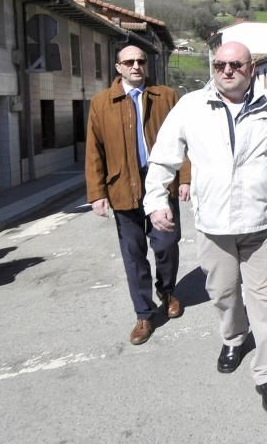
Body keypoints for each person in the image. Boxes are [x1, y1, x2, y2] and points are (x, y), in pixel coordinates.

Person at [144, 41, 267, 416]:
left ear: (251, 68)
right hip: (213, 224)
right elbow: (164, 158)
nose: (227, 70)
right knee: (223, 292)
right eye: (220, 64)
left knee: (266, 300)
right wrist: (154, 202)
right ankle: (234, 337)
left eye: (235, 64)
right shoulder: (191, 107)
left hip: (262, 223)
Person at [85, 44, 191, 346]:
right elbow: (94, 151)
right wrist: (97, 193)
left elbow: (184, 139)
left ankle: (167, 291)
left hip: (161, 182)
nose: (135, 66)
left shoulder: (166, 96)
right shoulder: (101, 103)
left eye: (140, 61)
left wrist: (185, 177)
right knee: (133, 254)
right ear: (118, 67)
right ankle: (144, 314)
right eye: (128, 62)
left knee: (167, 243)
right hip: (122, 185)